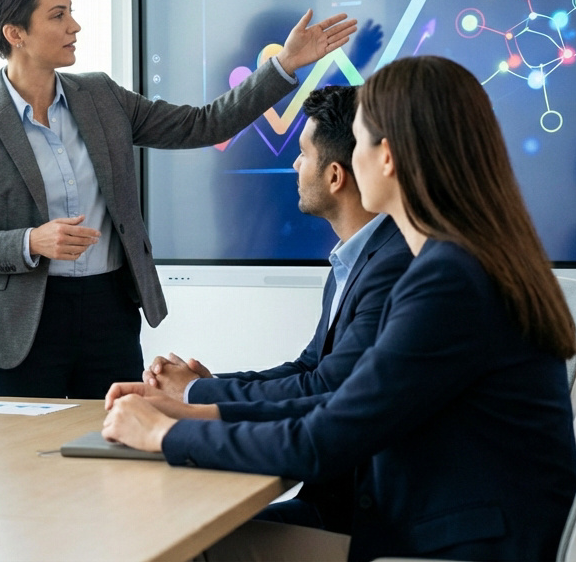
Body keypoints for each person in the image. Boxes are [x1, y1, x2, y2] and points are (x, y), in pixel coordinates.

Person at [102, 55, 576, 561]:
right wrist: (197, 411)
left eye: (360, 140)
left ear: (386, 156)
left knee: (181, 546)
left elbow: (324, 438)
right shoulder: (467, 259)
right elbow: (343, 402)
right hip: (440, 530)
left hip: (444, 548)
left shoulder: (449, 280)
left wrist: (166, 434)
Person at [0, 0, 357, 398]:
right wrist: (31, 242)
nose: (74, 26)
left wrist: (284, 64)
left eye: (71, 11)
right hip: (21, 328)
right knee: (22, 444)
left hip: (108, 312)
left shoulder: (100, 96)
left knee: (115, 436)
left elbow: (203, 124)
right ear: (15, 33)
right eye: (58, 15)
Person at [142, 84, 413, 533]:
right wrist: (204, 387)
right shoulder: (353, 259)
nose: (294, 165)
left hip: (362, 516)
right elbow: (310, 367)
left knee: (182, 534)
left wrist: (191, 402)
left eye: (303, 154)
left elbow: (328, 388)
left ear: (335, 176)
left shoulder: (394, 264)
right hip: (340, 500)